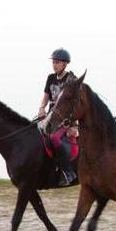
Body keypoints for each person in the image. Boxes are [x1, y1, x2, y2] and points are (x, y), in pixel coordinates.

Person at [38, 48, 78, 186]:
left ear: (65, 64)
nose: (54, 65)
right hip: (50, 117)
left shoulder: (71, 79)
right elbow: (46, 97)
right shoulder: (50, 78)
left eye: (57, 62)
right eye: (53, 62)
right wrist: (42, 108)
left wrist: (74, 124)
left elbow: (75, 103)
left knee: (54, 138)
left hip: (64, 119)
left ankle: (68, 172)